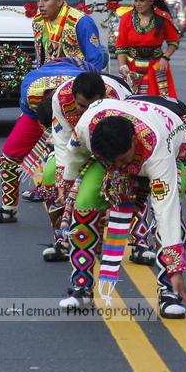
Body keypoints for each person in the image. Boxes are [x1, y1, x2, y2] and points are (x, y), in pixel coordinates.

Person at [59, 98, 186, 319]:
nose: (119, 168)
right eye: (111, 162)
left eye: (123, 160)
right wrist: (66, 183)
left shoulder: (159, 150)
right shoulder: (85, 127)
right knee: (85, 200)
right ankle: (81, 285)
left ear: (134, 141)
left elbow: (167, 210)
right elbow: (74, 156)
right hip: (124, 131)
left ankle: (169, 291)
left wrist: (176, 268)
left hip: (168, 141)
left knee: (169, 213)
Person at [0, 59, 98, 226]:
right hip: (41, 108)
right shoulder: (29, 97)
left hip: (75, 106)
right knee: (9, 155)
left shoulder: (80, 95)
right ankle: (9, 208)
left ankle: (86, 206)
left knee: (84, 153)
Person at [35, 70, 132, 261]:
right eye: (81, 106)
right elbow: (62, 141)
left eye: (93, 106)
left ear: (104, 97)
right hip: (76, 146)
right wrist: (65, 179)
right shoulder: (60, 100)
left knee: (125, 188)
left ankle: (140, 243)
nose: (88, 112)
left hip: (113, 152)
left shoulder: (121, 99)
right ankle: (63, 239)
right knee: (50, 175)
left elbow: (126, 141)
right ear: (73, 98)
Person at [115, 0, 180, 97]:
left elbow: (173, 42)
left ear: (151, 0)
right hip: (132, 68)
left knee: (160, 105)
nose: (137, 3)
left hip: (156, 68)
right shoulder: (126, 18)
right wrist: (122, 65)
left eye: (142, 0)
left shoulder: (162, 18)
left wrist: (165, 57)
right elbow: (121, 47)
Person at [31, 0, 106, 69]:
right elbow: (40, 57)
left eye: (45, 0)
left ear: (59, 1)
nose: (40, 4)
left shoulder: (81, 21)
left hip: (77, 76)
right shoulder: (38, 21)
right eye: (38, 0)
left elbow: (95, 59)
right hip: (49, 75)